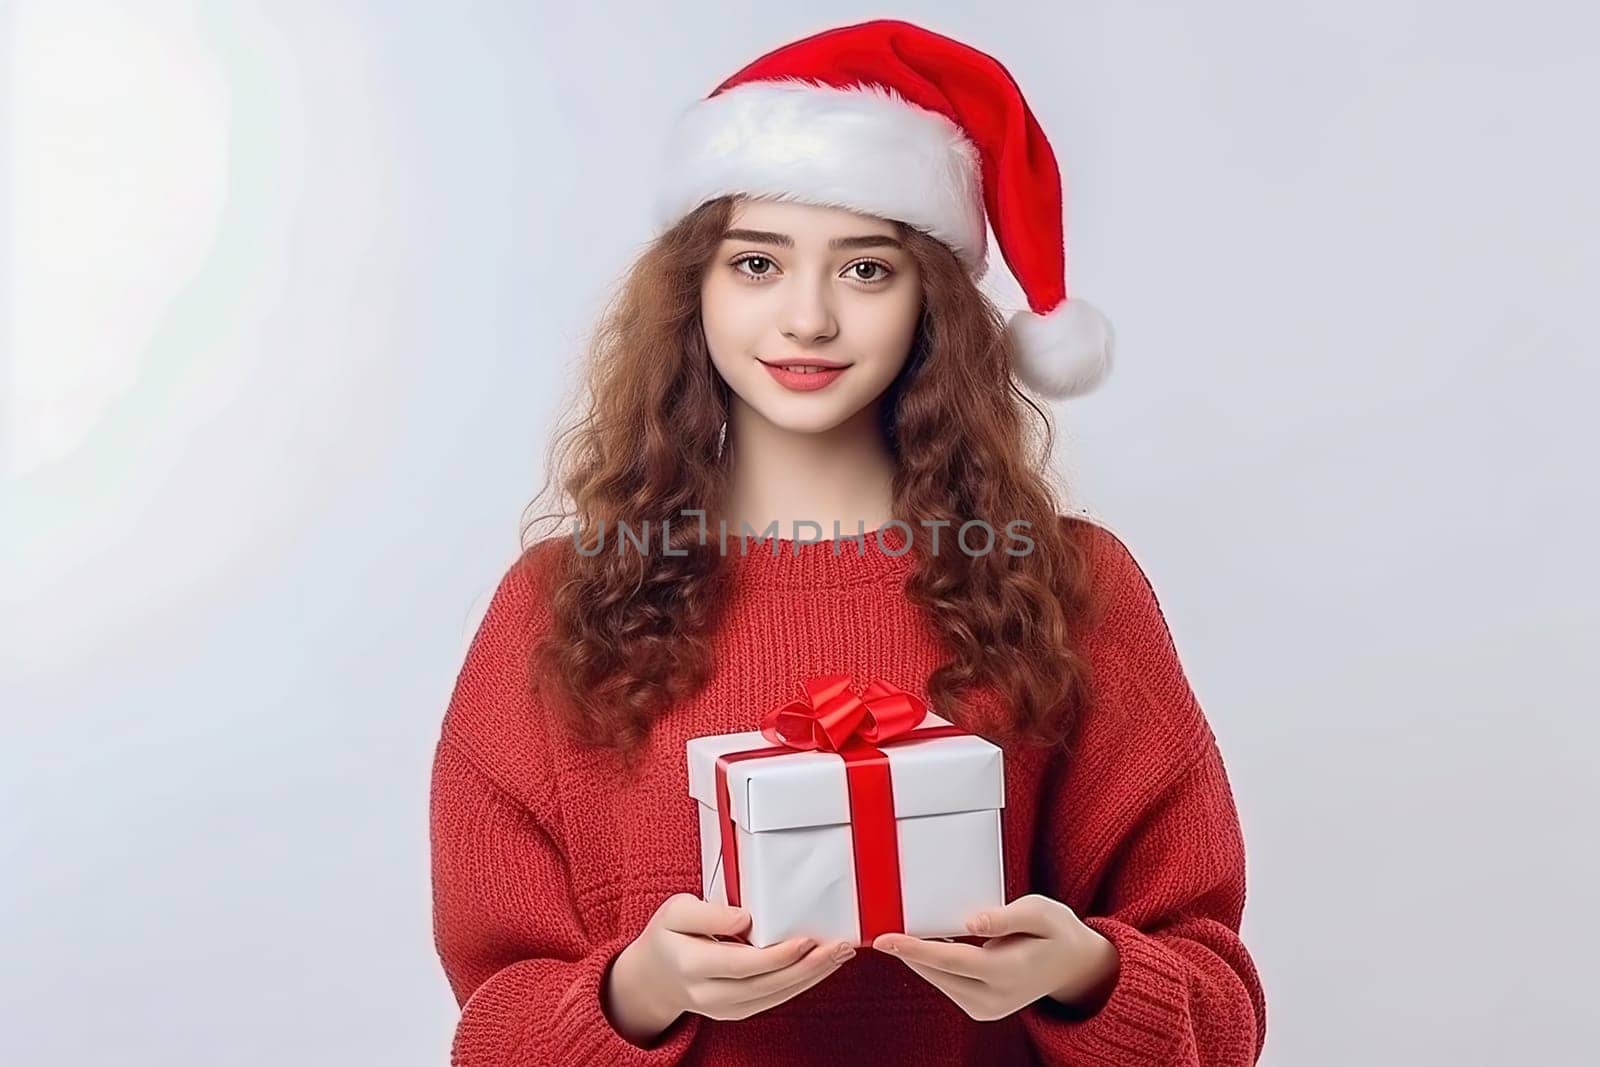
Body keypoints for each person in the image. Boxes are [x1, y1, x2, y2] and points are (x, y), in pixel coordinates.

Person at [429, 18, 1266, 1066]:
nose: (809, 318)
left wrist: (1080, 971)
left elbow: (1218, 1011)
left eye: (866, 269)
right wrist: (637, 990)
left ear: (933, 303)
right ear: (695, 290)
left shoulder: (1071, 583)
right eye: (756, 264)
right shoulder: (556, 602)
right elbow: (493, 1030)